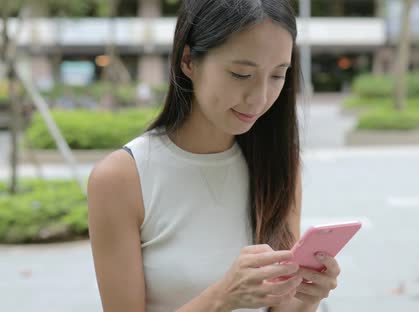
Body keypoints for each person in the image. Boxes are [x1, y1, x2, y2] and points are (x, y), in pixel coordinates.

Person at [87, 1, 340, 311]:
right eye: (241, 74)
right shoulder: (122, 178)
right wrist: (220, 298)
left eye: (277, 76)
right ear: (189, 61)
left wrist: (304, 300)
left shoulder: (281, 164)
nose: (259, 98)